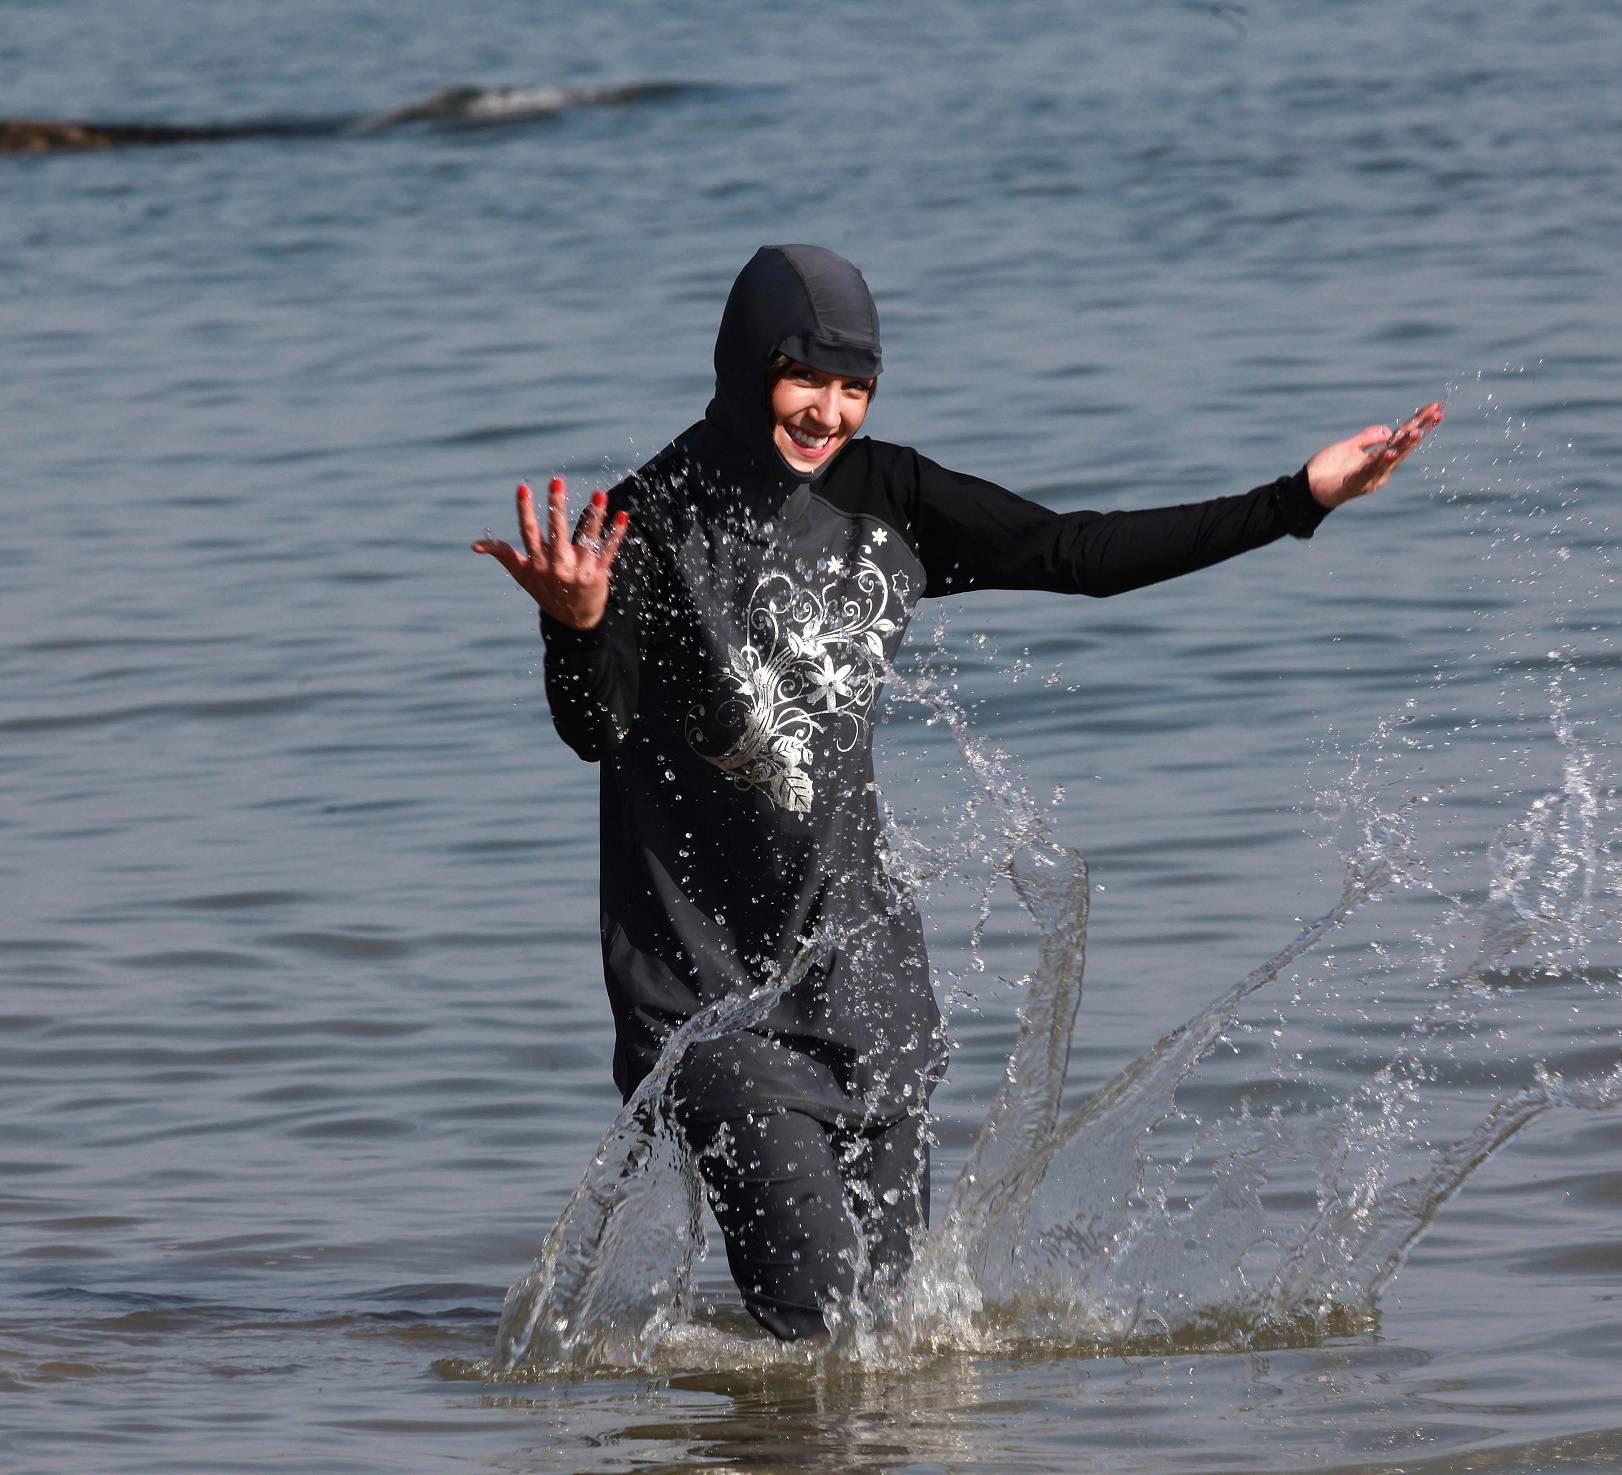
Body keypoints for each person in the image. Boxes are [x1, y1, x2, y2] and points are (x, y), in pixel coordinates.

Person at [473, 244, 1442, 1341]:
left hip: (868, 993)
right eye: (805, 378)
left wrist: (1294, 498)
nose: (828, 411)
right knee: (828, 1335)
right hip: (710, 1009)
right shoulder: (649, 521)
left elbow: (1076, 552)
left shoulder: (891, 496)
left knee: (895, 1344)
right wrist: (575, 624)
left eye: (855, 386)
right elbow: (590, 726)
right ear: (749, 365)